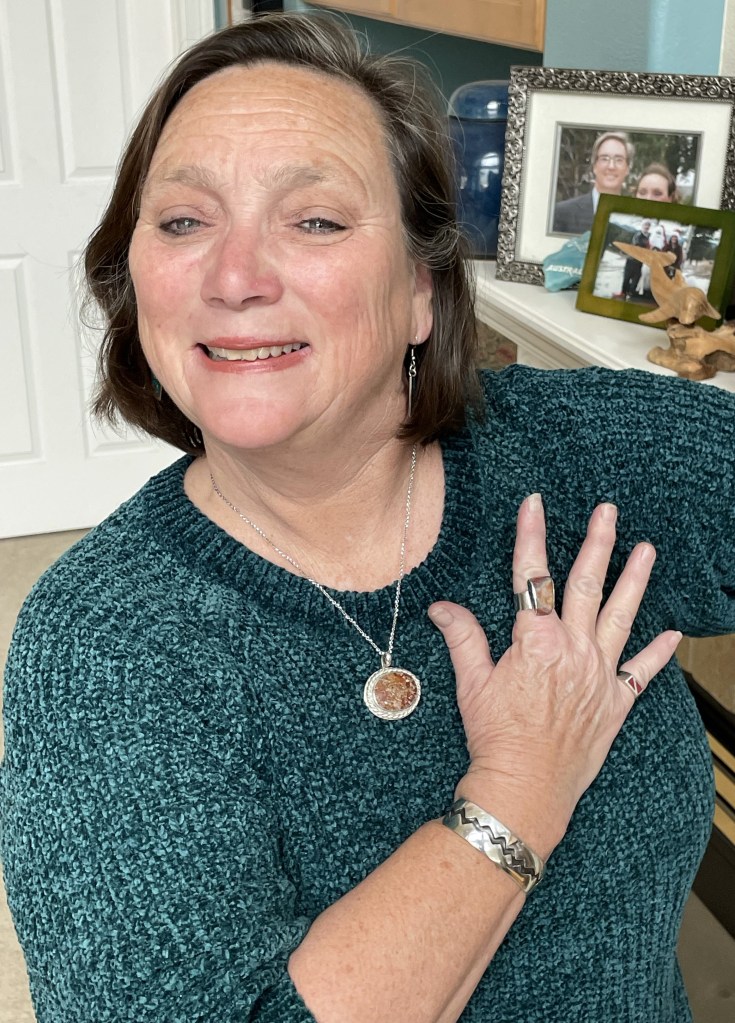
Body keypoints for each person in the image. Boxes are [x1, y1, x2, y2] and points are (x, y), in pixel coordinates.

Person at [1, 14, 734, 1023]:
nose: (234, 277)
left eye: (315, 221)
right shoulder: (105, 645)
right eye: (182, 221)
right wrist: (522, 784)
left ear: (421, 290)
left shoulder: (576, 454)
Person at [552, 131, 633, 233]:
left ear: (628, 168)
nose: (611, 166)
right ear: (594, 166)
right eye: (604, 159)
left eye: (619, 160)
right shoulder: (563, 213)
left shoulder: (635, 217)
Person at [621, 219, 651, 299]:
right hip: (632, 260)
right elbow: (637, 245)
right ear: (642, 226)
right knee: (627, 277)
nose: (647, 227)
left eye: (648, 225)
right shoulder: (638, 235)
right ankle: (623, 293)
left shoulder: (648, 237)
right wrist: (646, 249)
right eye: (645, 225)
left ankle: (630, 293)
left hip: (639, 261)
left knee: (636, 278)